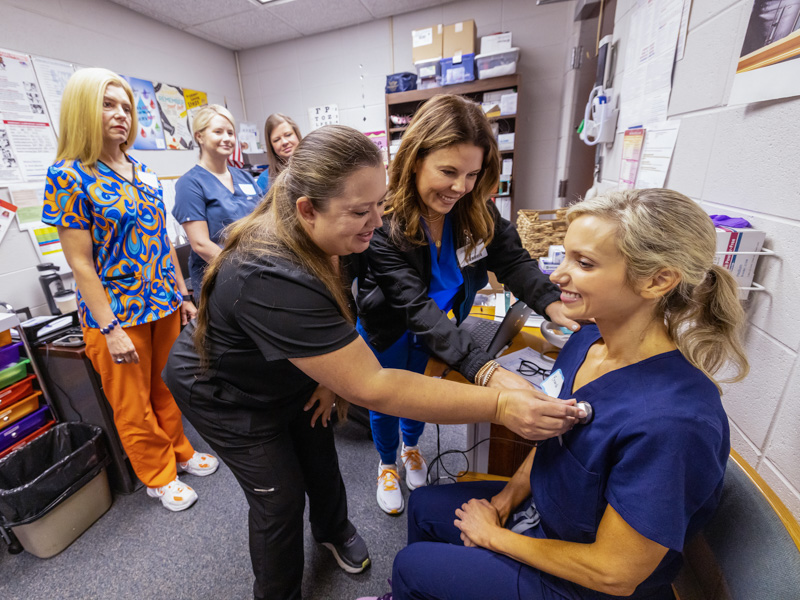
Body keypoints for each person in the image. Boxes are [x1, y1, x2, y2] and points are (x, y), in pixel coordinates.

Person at [162, 124, 584, 600]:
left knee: (321, 461)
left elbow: (337, 325)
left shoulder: (336, 238)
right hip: (228, 392)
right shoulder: (268, 269)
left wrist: (327, 378)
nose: (378, 222)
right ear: (307, 209)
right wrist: (500, 405)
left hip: (292, 371)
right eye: (362, 211)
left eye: (380, 204)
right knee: (279, 498)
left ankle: (333, 530)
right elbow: (374, 385)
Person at [359, 188, 750, 600]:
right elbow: (553, 441)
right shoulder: (586, 340)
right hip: (546, 513)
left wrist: (495, 537)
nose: (558, 276)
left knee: (411, 566)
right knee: (423, 507)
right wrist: (506, 501)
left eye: (583, 263)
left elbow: (615, 573)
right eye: (564, 256)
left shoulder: (677, 423)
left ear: (657, 280)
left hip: (586, 581)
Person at [356, 94, 579, 515]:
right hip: (392, 324)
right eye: (448, 172)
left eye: (472, 174)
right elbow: (413, 305)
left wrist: (553, 305)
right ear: (416, 159)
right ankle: (387, 463)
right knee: (387, 398)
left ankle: (411, 448)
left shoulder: (473, 209)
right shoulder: (384, 222)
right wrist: (486, 371)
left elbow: (513, 260)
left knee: (423, 393)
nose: (460, 187)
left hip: (441, 324)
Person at [42, 68, 218, 513]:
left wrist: (182, 297)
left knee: (164, 387)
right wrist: (109, 326)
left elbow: (162, 241)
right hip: (116, 312)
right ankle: (157, 475)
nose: (121, 114)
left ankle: (179, 450)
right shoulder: (68, 175)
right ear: (84, 109)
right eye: (108, 104)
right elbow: (80, 262)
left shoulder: (141, 170)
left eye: (126, 106)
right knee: (132, 402)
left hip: (161, 302)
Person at [172, 105, 263, 301]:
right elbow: (200, 244)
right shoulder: (190, 183)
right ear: (199, 136)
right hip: (219, 282)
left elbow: (264, 222)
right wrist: (245, 270)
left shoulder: (245, 178)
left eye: (230, 132)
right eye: (218, 131)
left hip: (257, 274)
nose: (227, 138)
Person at [256, 112, 301, 191]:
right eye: (277, 140)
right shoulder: (264, 180)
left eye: (288, 135)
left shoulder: (315, 166)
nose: (284, 142)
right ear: (271, 146)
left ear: (297, 135)